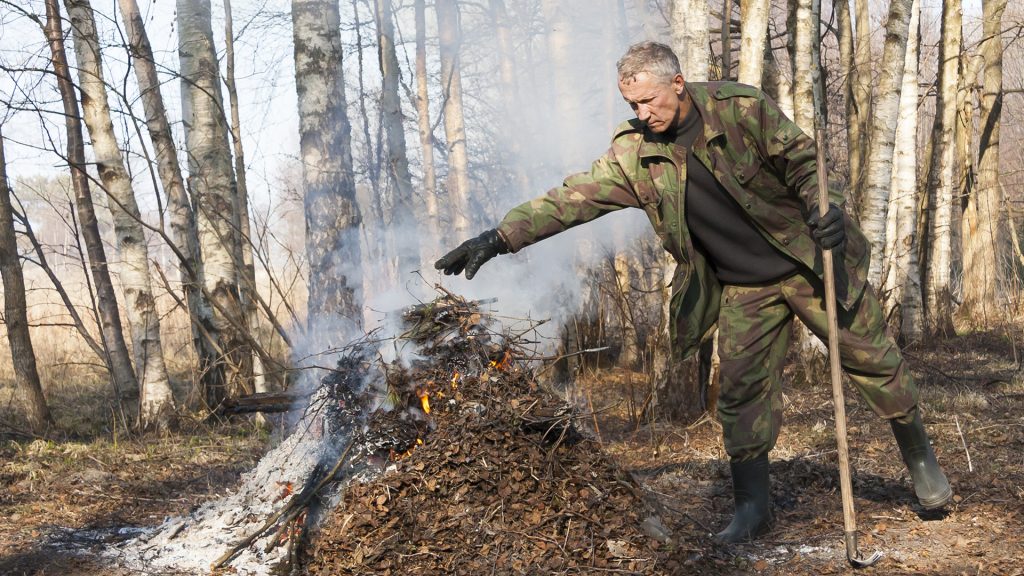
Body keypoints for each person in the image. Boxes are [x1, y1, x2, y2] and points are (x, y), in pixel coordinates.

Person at [434, 41, 951, 543]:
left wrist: (826, 212)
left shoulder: (740, 108)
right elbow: (571, 199)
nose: (641, 113)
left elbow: (802, 162)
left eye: (647, 100)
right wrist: (499, 238)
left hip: (806, 263)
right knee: (741, 394)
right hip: (743, 287)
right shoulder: (636, 154)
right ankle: (752, 506)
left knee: (872, 361)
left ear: (677, 85)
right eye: (630, 104)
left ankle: (921, 461)